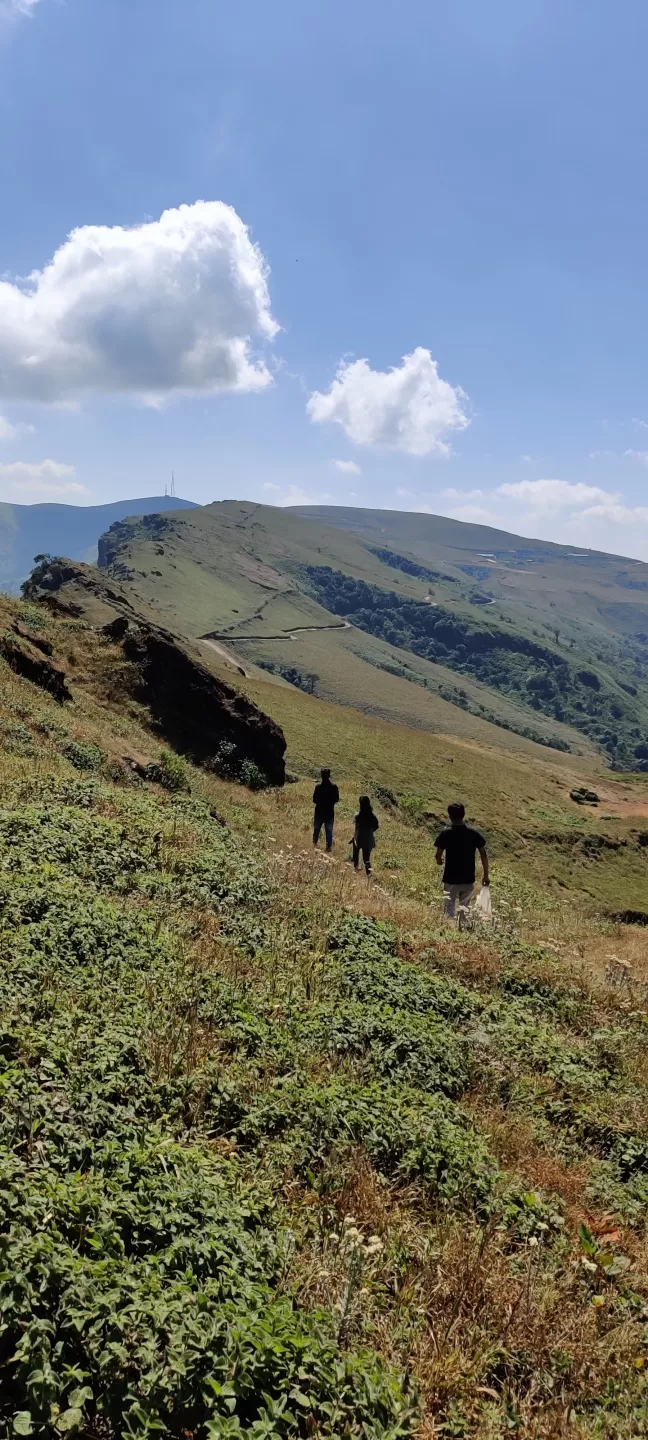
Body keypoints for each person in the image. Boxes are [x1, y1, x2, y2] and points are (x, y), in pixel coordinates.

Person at [434, 802, 489, 925]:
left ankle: (449, 932)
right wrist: (486, 876)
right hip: (468, 879)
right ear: (463, 815)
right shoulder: (473, 834)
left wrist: (439, 861)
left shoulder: (446, 833)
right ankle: (462, 929)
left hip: (451, 878)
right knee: (464, 909)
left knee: (449, 908)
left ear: (450, 816)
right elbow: (483, 855)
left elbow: (438, 854)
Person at [312, 768, 340, 851]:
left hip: (319, 811)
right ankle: (328, 847)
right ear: (329, 776)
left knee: (317, 829)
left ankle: (314, 844)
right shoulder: (334, 787)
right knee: (328, 830)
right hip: (329, 812)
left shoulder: (318, 787)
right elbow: (337, 799)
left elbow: (314, 799)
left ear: (321, 776)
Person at [352, 796, 379, 875]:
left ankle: (356, 868)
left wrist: (354, 838)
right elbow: (376, 826)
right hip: (368, 838)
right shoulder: (372, 816)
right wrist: (370, 832)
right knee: (366, 858)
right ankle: (368, 873)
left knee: (355, 852)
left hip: (359, 837)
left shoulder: (358, 815)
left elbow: (356, 828)